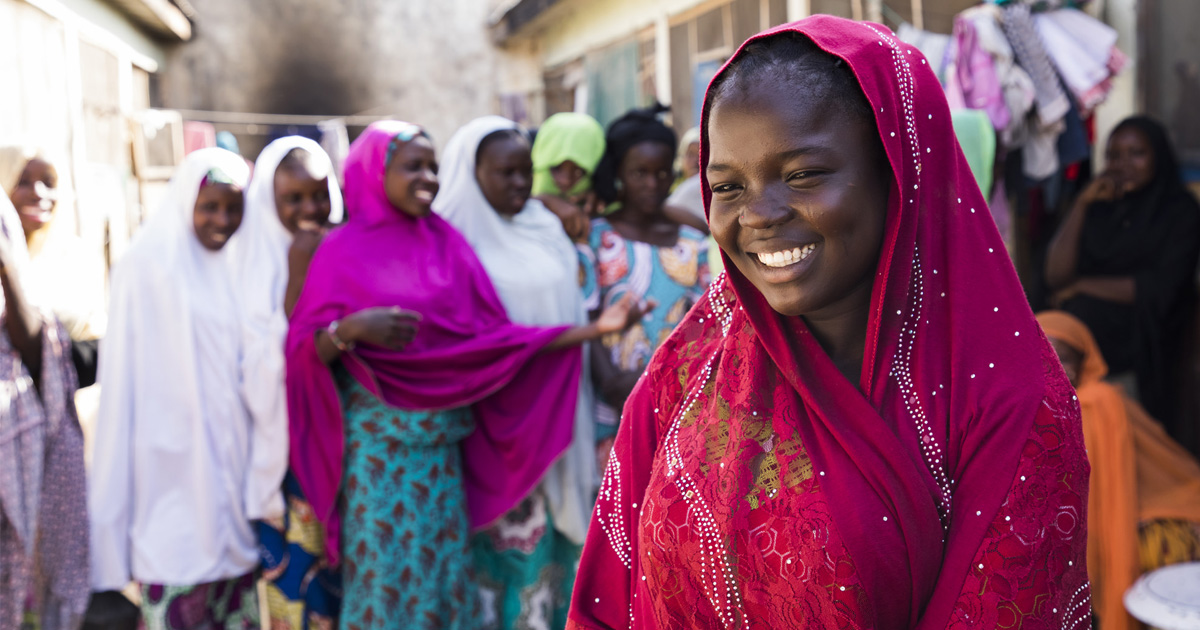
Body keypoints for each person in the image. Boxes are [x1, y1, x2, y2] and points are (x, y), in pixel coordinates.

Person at [568, 17, 1090, 630]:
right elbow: (609, 591)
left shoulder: (1008, 402)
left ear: (901, 171)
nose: (758, 214)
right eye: (727, 186)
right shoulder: (692, 363)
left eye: (803, 175)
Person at [285, 121, 646, 630]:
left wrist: (593, 331)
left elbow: (491, 340)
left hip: (442, 453)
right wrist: (351, 328)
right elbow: (303, 352)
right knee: (386, 582)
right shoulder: (340, 250)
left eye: (433, 166)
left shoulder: (445, 242)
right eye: (413, 166)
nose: (429, 177)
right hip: (378, 457)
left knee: (445, 580)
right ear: (375, 172)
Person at [434, 115, 599, 628]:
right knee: (502, 557)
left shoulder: (542, 222)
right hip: (496, 426)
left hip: (561, 410)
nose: (520, 184)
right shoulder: (449, 241)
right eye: (504, 173)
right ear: (471, 172)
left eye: (526, 171)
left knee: (553, 559)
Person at [89, 148, 261, 628]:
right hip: (170, 479)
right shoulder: (145, 266)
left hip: (232, 480)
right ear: (185, 201)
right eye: (209, 206)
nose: (222, 220)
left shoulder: (240, 264)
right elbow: (119, 386)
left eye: (234, 207)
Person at [233, 136, 344, 629]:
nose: (310, 209)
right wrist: (298, 273)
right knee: (296, 590)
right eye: (293, 199)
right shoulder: (245, 263)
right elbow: (266, 366)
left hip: (337, 446)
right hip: (282, 457)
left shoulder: (341, 250)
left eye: (319, 195)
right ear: (268, 201)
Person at [1037, 310, 1200, 630]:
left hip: (1158, 513)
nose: (1055, 369)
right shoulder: (1033, 412)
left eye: (1066, 359)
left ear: (1086, 363)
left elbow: (1108, 497)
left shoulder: (1097, 404)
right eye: (1045, 356)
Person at [1046, 116, 1200, 423]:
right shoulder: (1101, 205)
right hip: (1088, 320)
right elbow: (1055, 276)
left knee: (1072, 321)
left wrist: (1081, 287)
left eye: (1137, 154)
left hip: (1148, 327)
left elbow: (1160, 288)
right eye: (1114, 155)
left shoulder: (1179, 211)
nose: (1123, 164)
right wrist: (1081, 204)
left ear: (1158, 156)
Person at [583, 107, 711, 472]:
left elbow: (705, 317)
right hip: (611, 395)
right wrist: (611, 381)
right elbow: (585, 315)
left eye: (661, 173)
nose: (652, 184)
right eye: (639, 173)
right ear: (619, 173)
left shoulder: (691, 240)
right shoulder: (595, 236)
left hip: (680, 398)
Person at [0, 192, 88, 630]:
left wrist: (8, 266)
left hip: (26, 435)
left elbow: (40, 349)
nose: (39, 195)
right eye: (27, 182)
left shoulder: (63, 256)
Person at [0, 146, 106, 387]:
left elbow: (96, 341)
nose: (38, 193)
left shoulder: (76, 258)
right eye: (22, 181)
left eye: (49, 183)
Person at [531, 112, 607, 241]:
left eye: (579, 172)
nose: (566, 181)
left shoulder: (611, 220)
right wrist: (544, 200)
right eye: (556, 168)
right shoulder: (517, 210)